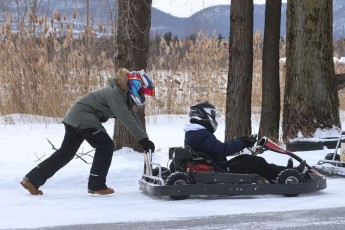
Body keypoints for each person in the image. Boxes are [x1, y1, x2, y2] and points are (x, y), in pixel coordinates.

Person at [20, 68, 156, 195]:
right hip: (83, 118)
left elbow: (131, 116)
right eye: (143, 92)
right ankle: (96, 185)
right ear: (135, 86)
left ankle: (32, 180)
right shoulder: (116, 94)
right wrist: (143, 140)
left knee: (65, 153)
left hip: (74, 117)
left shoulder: (121, 94)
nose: (143, 95)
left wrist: (145, 139)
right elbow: (125, 118)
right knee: (105, 145)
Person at [184, 101, 306, 181]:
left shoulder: (195, 133)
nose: (215, 120)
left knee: (250, 160)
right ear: (205, 116)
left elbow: (218, 148)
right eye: (213, 117)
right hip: (219, 171)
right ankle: (288, 175)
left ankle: (285, 171)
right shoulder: (199, 134)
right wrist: (243, 142)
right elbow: (222, 150)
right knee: (254, 162)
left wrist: (241, 140)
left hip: (218, 166)